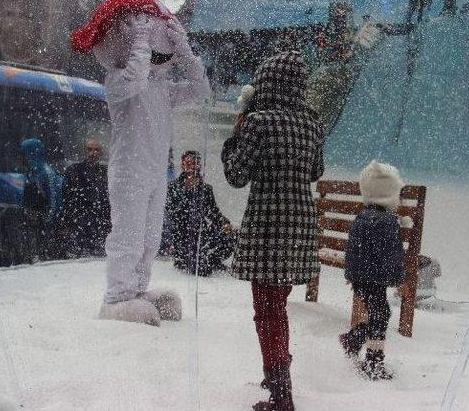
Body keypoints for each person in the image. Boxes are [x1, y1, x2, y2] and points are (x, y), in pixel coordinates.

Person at [70, 0, 211, 326]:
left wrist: (186, 53)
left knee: (150, 237)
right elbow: (134, 80)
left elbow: (202, 91)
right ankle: (116, 296)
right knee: (128, 236)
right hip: (129, 170)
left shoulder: (161, 86)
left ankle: (137, 290)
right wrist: (141, 39)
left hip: (156, 172)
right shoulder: (115, 80)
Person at [222, 50, 324, 411]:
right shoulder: (312, 122)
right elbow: (315, 172)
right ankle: (278, 371)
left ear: (265, 82)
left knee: (266, 310)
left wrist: (234, 138)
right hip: (300, 224)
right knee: (277, 304)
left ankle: (282, 395)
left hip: (268, 224)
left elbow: (236, 176)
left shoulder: (258, 122)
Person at [339, 160, 405, 381]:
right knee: (381, 314)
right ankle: (373, 362)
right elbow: (392, 255)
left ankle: (354, 340)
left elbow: (353, 249)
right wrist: (399, 278)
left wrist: (352, 274)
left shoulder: (363, 216)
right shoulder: (387, 222)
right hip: (373, 278)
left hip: (362, 276)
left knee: (379, 313)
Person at [166, 150, 235, 276]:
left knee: (232, 236)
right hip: (183, 239)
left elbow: (214, 213)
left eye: (194, 163)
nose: (191, 166)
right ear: (182, 165)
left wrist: (225, 224)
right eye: (188, 163)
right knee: (202, 270)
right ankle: (194, 260)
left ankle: (211, 259)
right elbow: (172, 213)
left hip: (202, 235)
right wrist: (188, 191)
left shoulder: (205, 189)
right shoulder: (173, 187)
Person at [58, 138, 111, 256]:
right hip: (78, 224)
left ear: (101, 153)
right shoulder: (74, 170)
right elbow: (67, 198)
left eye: (96, 150)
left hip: (99, 225)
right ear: (84, 151)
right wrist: (65, 222)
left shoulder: (106, 172)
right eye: (90, 149)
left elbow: (108, 201)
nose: (93, 153)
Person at [20, 138, 64, 260]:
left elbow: (55, 199)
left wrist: (48, 220)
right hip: (35, 225)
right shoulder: (31, 172)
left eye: (23, 153)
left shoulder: (46, 173)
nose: (22, 157)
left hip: (47, 225)